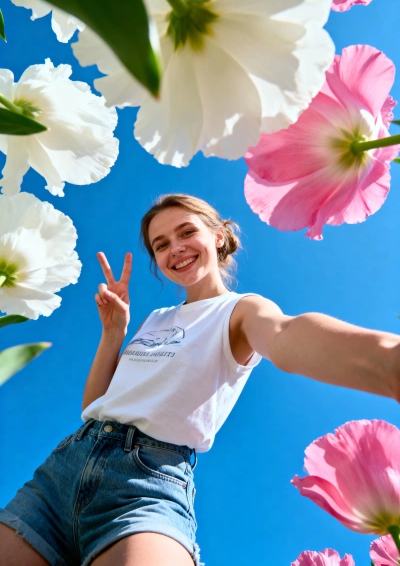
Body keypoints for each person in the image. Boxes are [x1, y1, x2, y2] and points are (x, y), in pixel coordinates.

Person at [0, 193, 399, 566]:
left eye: (187, 232)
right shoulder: (155, 320)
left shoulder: (241, 310)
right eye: (160, 244)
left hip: (144, 484)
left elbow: (285, 334)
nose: (175, 248)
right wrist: (114, 332)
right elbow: (94, 407)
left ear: (219, 235)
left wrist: (387, 363)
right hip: (61, 473)